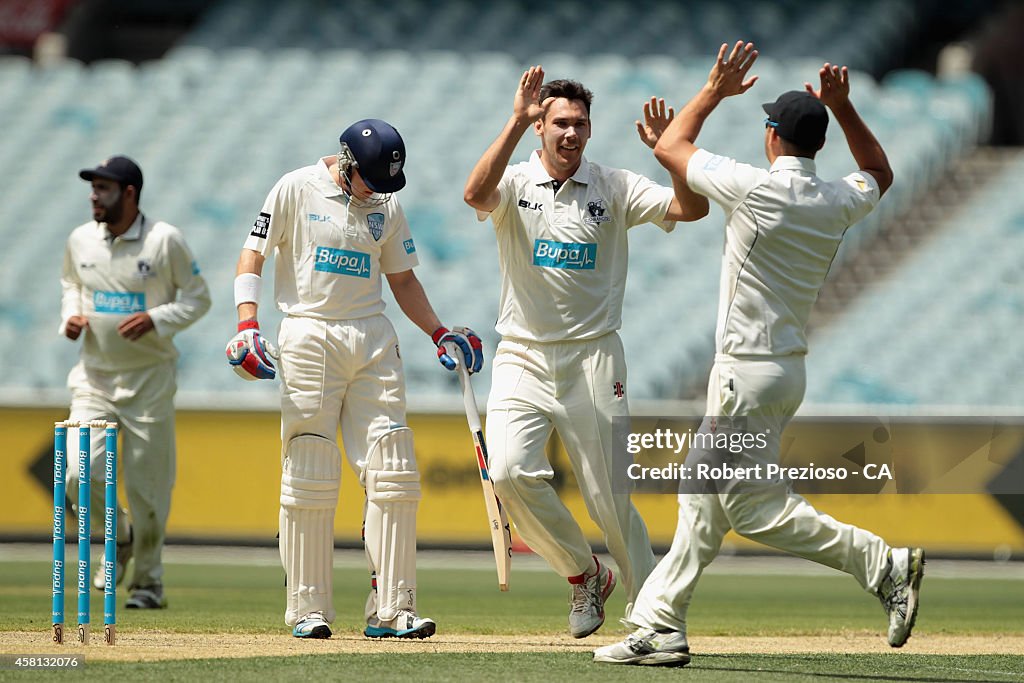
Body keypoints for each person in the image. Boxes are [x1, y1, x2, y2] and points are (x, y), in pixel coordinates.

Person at [594, 42, 923, 667]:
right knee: (701, 502)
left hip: (743, 374)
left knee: (750, 507)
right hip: (785, 369)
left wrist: (713, 90)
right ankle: (661, 626)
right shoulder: (836, 199)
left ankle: (883, 562)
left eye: (767, 125)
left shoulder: (754, 188)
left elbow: (669, 149)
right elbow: (880, 173)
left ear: (773, 137)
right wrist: (846, 108)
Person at [463, 67, 709, 639]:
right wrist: (514, 119)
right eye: (558, 124)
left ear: (591, 129)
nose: (570, 133)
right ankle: (584, 574)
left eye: (579, 123)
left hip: (593, 358)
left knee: (608, 498)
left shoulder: (614, 185)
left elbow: (690, 210)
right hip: (521, 353)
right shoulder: (516, 182)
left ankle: (654, 616)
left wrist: (672, 156)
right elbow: (474, 194)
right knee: (508, 470)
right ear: (539, 129)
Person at [227, 119, 483, 640]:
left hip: (371, 335)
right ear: (345, 163)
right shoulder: (296, 187)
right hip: (309, 333)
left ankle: (393, 608)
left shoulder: (384, 203)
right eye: (368, 179)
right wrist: (247, 323)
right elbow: (252, 253)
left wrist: (437, 332)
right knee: (310, 469)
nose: (377, 190)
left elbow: (404, 279)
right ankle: (307, 608)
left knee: (394, 469)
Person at [60, 154, 211, 609]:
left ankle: (148, 583)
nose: (93, 196)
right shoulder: (80, 240)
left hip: (149, 380)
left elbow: (198, 299)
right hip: (94, 377)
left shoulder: (165, 241)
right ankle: (119, 534)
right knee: (75, 475)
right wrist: (70, 316)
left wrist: (156, 318)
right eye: (92, 187)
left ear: (129, 193)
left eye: (103, 188)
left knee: (148, 490)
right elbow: (71, 284)